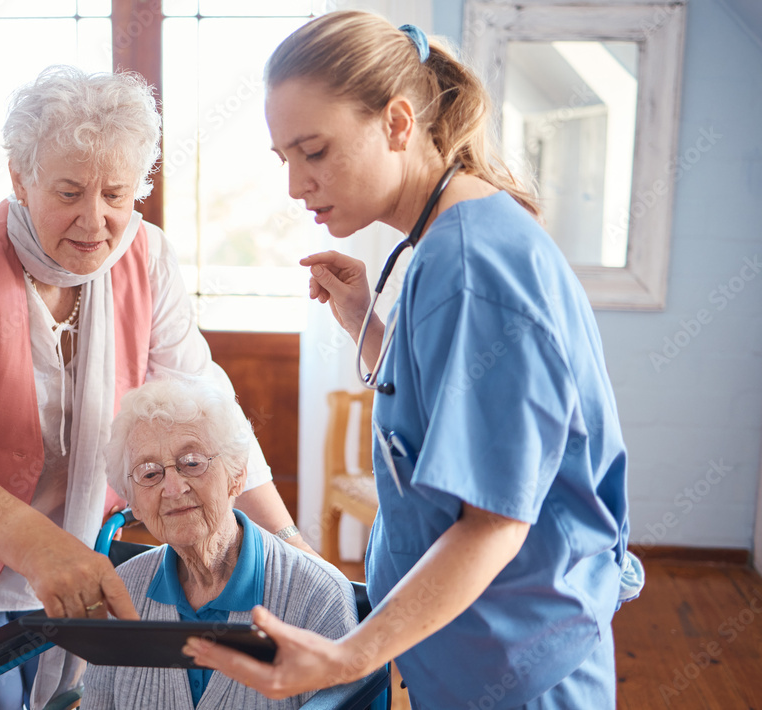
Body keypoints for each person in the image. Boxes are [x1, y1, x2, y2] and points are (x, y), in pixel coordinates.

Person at [184, 11, 640, 709]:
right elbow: (451, 409)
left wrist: (346, 658)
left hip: (515, 666)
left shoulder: (469, 268)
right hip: (476, 649)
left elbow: (496, 521)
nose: (296, 185)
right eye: (284, 159)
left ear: (398, 123)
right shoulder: (457, 239)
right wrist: (368, 326)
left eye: (315, 150)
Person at [0, 66, 308, 710]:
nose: (95, 220)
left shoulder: (148, 256)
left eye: (116, 195)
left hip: (84, 543)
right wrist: (40, 550)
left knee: (61, 700)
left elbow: (207, 404)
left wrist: (293, 550)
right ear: (21, 179)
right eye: (69, 191)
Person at [80, 378, 357, 709]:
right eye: (150, 473)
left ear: (237, 474)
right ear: (134, 503)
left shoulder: (318, 595)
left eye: (193, 462)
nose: (173, 488)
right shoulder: (120, 594)